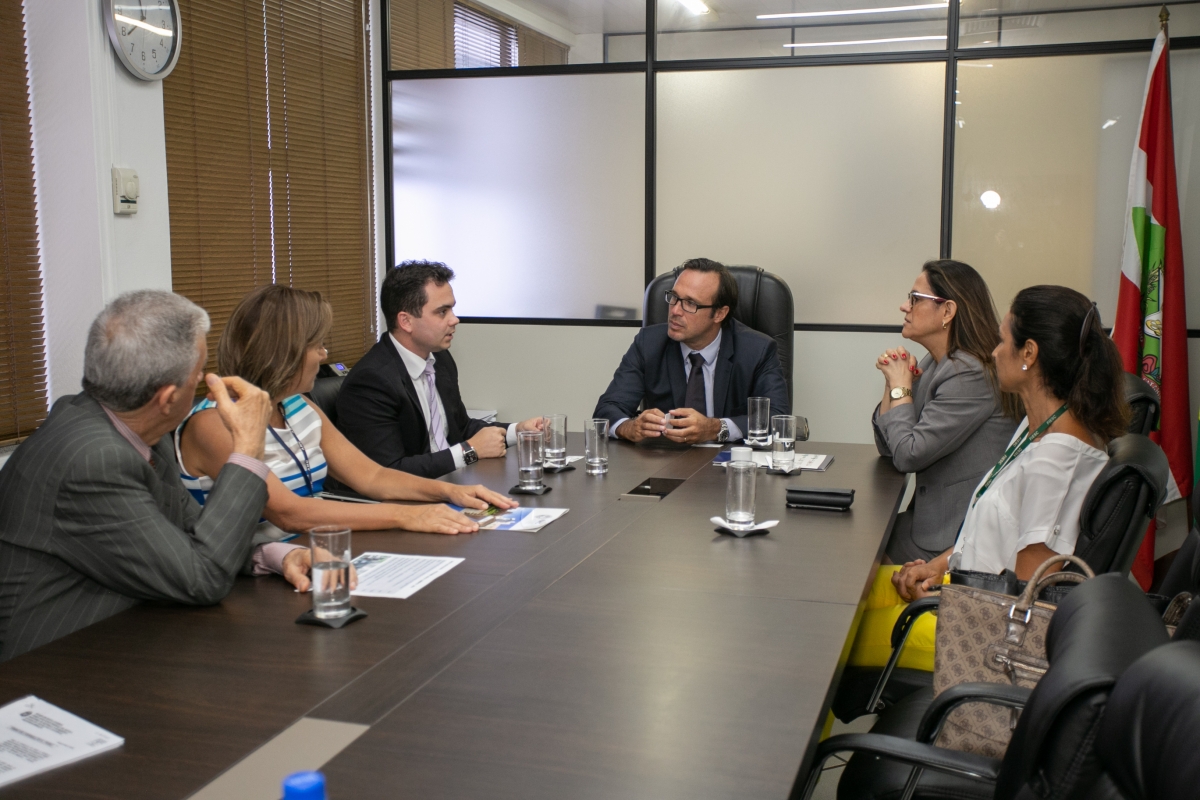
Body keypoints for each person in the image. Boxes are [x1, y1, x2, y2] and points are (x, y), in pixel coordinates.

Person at [849, 285, 1128, 673]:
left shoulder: (1055, 461)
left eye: (1002, 341)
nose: (994, 353)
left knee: (834, 634)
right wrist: (937, 567)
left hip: (980, 635)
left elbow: (1025, 600)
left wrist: (944, 597)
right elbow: (995, 536)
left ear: (1029, 353)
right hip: (961, 590)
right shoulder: (1035, 428)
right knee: (845, 589)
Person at [176, 285, 519, 587]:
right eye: (317, 344)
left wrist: (449, 492)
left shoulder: (297, 405)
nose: (324, 355)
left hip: (315, 552)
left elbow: (372, 477)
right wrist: (407, 515)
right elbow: (290, 513)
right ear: (285, 352)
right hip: (250, 575)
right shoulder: (214, 422)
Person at [0, 291, 275, 662]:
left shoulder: (130, 427)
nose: (206, 383)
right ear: (167, 399)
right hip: (54, 664)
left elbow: (189, 533)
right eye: (199, 376)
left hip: (132, 634)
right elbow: (203, 578)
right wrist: (248, 446)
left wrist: (270, 554)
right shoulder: (92, 462)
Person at [335, 261, 544, 479]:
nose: (455, 319)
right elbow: (389, 473)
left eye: (452, 309)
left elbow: (460, 428)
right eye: (442, 312)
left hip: (449, 481)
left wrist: (518, 432)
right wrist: (469, 451)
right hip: (408, 494)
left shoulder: (439, 358)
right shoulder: (371, 381)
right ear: (406, 321)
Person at [873, 260, 1021, 564]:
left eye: (915, 299)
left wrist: (901, 387)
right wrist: (893, 384)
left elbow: (907, 455)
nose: (905, 306)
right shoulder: (936, 363)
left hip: (958, 537)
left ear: (948, 311)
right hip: (935, 521)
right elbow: (889, 446)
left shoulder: (969, 373)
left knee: (860, 553)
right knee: (860, 536)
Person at [594, 258, 789, 445]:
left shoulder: (757, 350)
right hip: (667, 460)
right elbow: (607, 409)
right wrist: (629, 427)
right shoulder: (649, 344)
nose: (675, 311)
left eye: (690, 303)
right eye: (674, 297)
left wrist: (715, 428)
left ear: (719, 313)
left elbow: (777, 417)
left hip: (731, 462)